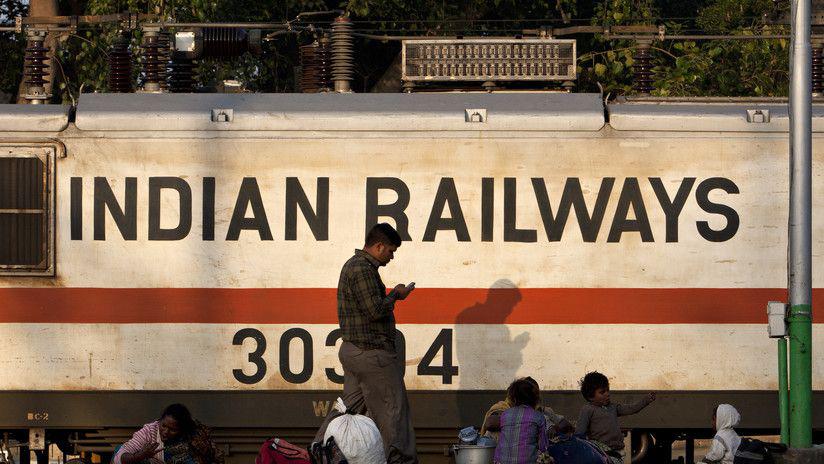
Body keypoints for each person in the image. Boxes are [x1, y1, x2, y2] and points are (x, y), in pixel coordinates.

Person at [314, 223, 417, 464]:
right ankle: (401, 461)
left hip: (354, 353)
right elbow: (375, 310)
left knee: (347, 409)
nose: (391, 257)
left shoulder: (354, 266)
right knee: (394, 414)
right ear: (379, 246)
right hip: (372, 356)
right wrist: (396, 295)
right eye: (390, 251)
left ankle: (318, 450)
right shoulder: (362, 269)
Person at [575, 372, 655, 462]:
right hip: (600, 453)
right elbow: (580, 432)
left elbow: (631, 409)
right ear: (590, 397)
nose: (607, 394)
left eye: (607, 390)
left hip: (617, 452)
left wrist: (646, 400)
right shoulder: (587, 410)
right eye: (602, 392)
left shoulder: (613, 407)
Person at [113, 403, 223, 464]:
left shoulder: (195, 440)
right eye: (163, 426)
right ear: (160, 421)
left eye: (173, 430)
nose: (165, 432)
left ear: (182, 430)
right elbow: (121, 455)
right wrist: (140, 455)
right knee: (119, 449)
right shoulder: (151, 431)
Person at [481, 377, 573, 442]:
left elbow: (566, 424)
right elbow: (490, 423)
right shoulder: (503, 408)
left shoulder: (542, 411)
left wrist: (554, 428)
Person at [493, 378, 550, 464]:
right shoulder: (538, 416)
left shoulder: (505, 414)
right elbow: (543, 446)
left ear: (514, 399)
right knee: (546, 458)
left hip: (501, 462)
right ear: (535, 399)